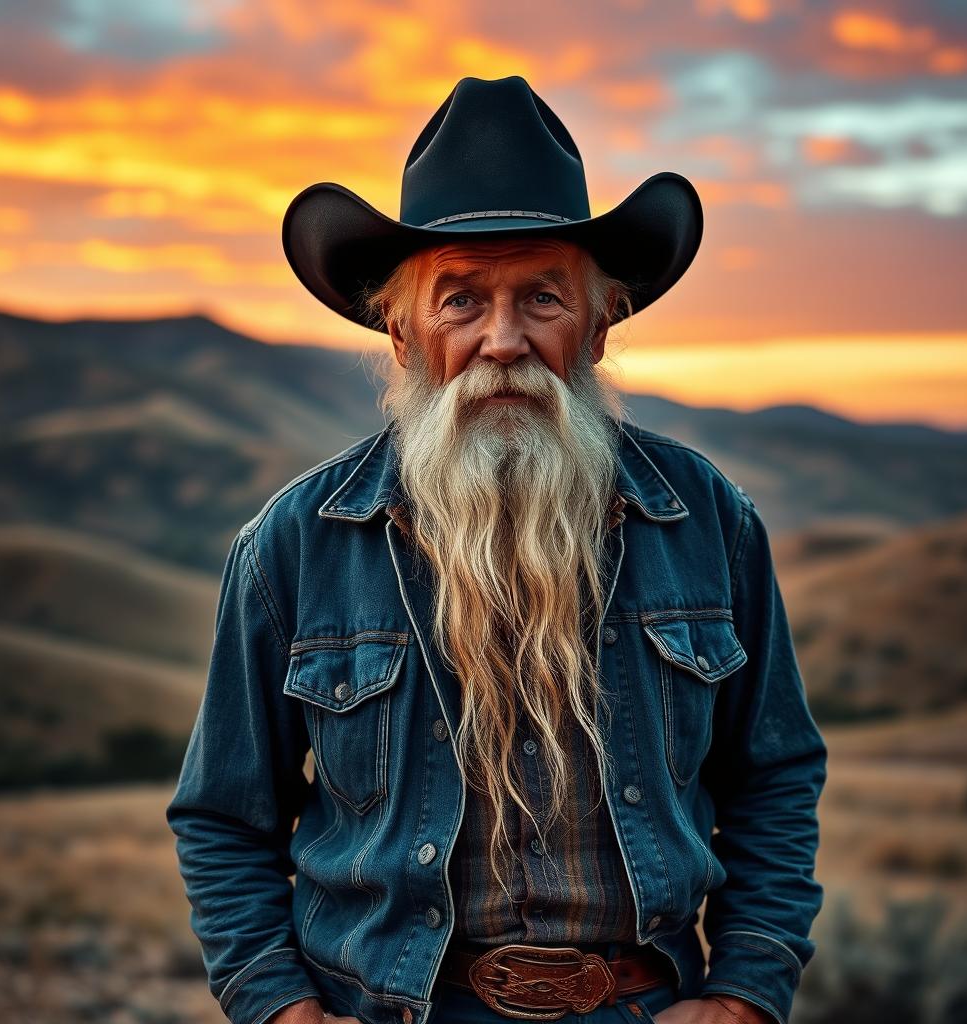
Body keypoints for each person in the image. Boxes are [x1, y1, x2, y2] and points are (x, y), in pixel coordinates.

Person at [166, 75, 827, 1024]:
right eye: (462, 299)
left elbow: (774, 778)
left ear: (600, 324)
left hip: (639, 1005)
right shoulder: (294, 545)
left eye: (544, 298)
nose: (502, 341)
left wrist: (746, 994)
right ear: (400, 330)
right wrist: (280, 1009)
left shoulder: (710, 522)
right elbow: (224, 819)